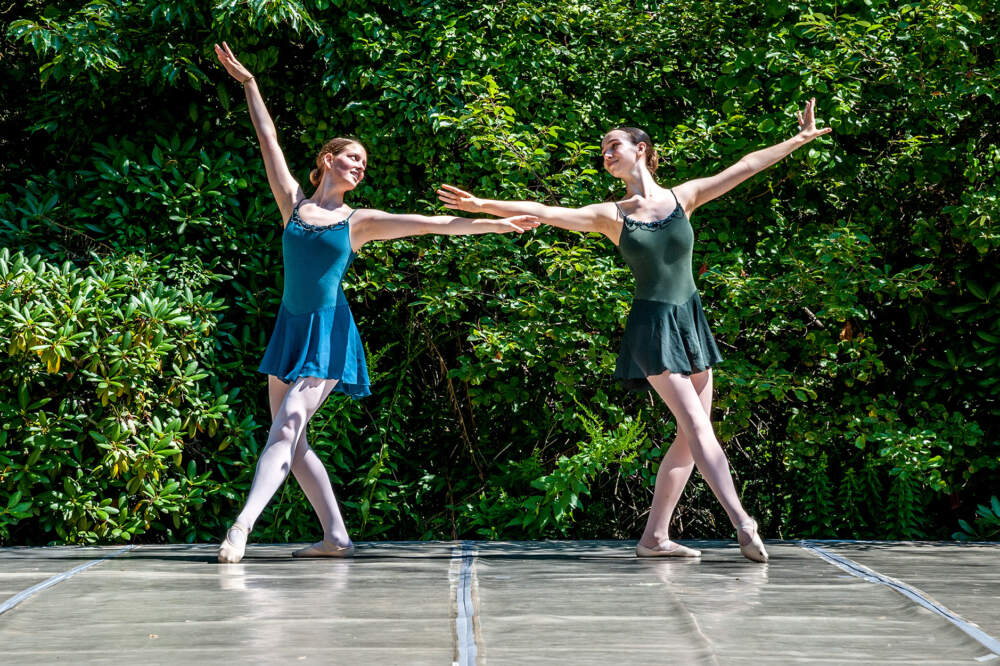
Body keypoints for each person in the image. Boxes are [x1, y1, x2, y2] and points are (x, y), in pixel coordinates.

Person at [437, 99, 832, 562]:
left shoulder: (684, 197)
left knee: (689, 438)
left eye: (613, 146)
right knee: (698, 429)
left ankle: (654, 539)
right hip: (653, 328)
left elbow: (745, 165)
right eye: (603, 149)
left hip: (690, 322)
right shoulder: (611, 215)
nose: (605, 154)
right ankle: (742, 521)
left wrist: (799, 139)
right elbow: (543, 209)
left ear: (641, 149)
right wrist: (484, 204)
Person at [213, 42, 538, 563]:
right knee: (291, 442)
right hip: (291, 326)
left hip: (329, 329)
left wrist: (496, 222)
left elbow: (435, 225)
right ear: (327, 160)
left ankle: (242, 527)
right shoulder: (293, 205)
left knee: (291, 423)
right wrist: (250, 84)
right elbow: (268, 139)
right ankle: (336, 538)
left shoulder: (357, 222)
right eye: (352, 157)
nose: (360, 166)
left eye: (364, 162)